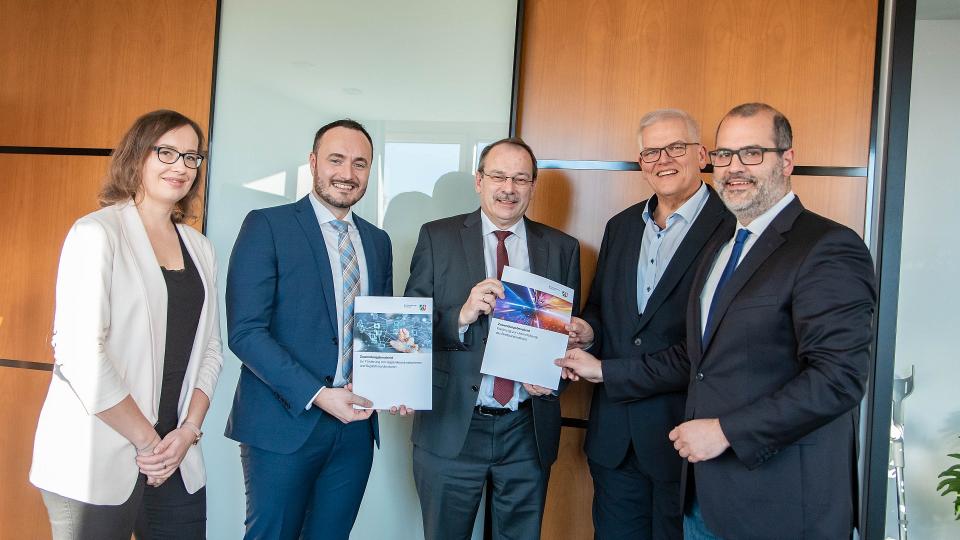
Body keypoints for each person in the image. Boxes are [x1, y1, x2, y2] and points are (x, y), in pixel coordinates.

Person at [558, 103, 877, 539]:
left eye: (751, 153)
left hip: (777, 495)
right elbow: (704, 354)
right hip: (701, 482)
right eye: (727, 155)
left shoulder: (828, 246)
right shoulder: (726, 247)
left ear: (786, 160)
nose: (734, 167)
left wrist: (726, 431)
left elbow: (838, 379)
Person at [30, 109, 223, 539]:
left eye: (192, 157)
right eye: (167, 152)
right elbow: (81, 353)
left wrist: (188, 431)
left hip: (177, 452)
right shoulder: (96, 233)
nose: (181, 166)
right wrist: (149, 442)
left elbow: (210, 348)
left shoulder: (200, 247)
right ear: (137, 156)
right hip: (97, 452)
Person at [224, 119, 403, 540]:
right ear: (312, 163)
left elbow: (381, 331)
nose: (347, 173)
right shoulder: (267, 225)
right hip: (283, 424)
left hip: (355, 428)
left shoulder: (378, 242)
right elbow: (246, 332)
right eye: (336, 160)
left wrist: (396, 383)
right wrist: (320, 395)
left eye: (360, 164)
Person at [566, 109, 733, 539]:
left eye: (676, 147)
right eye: (651, 152)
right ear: (641, 162)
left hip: (685, 441)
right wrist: (590, 331)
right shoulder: (621, 227)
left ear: (701, 154)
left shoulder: (733, 229)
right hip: (615, 442)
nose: (664, 160)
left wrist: (606, 371)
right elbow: (603, 309)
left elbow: (713, 350)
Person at [405, 137, 581, 540]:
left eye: (521, 179)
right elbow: (410, 332)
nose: (509, 188)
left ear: (533, 186)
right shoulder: (438, 237)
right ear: (479, 181)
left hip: (527, 428)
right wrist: (462, 316)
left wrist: (553, 375)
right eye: (499, 176)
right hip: (451, 427)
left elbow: (565, 339)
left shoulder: (561, 248)